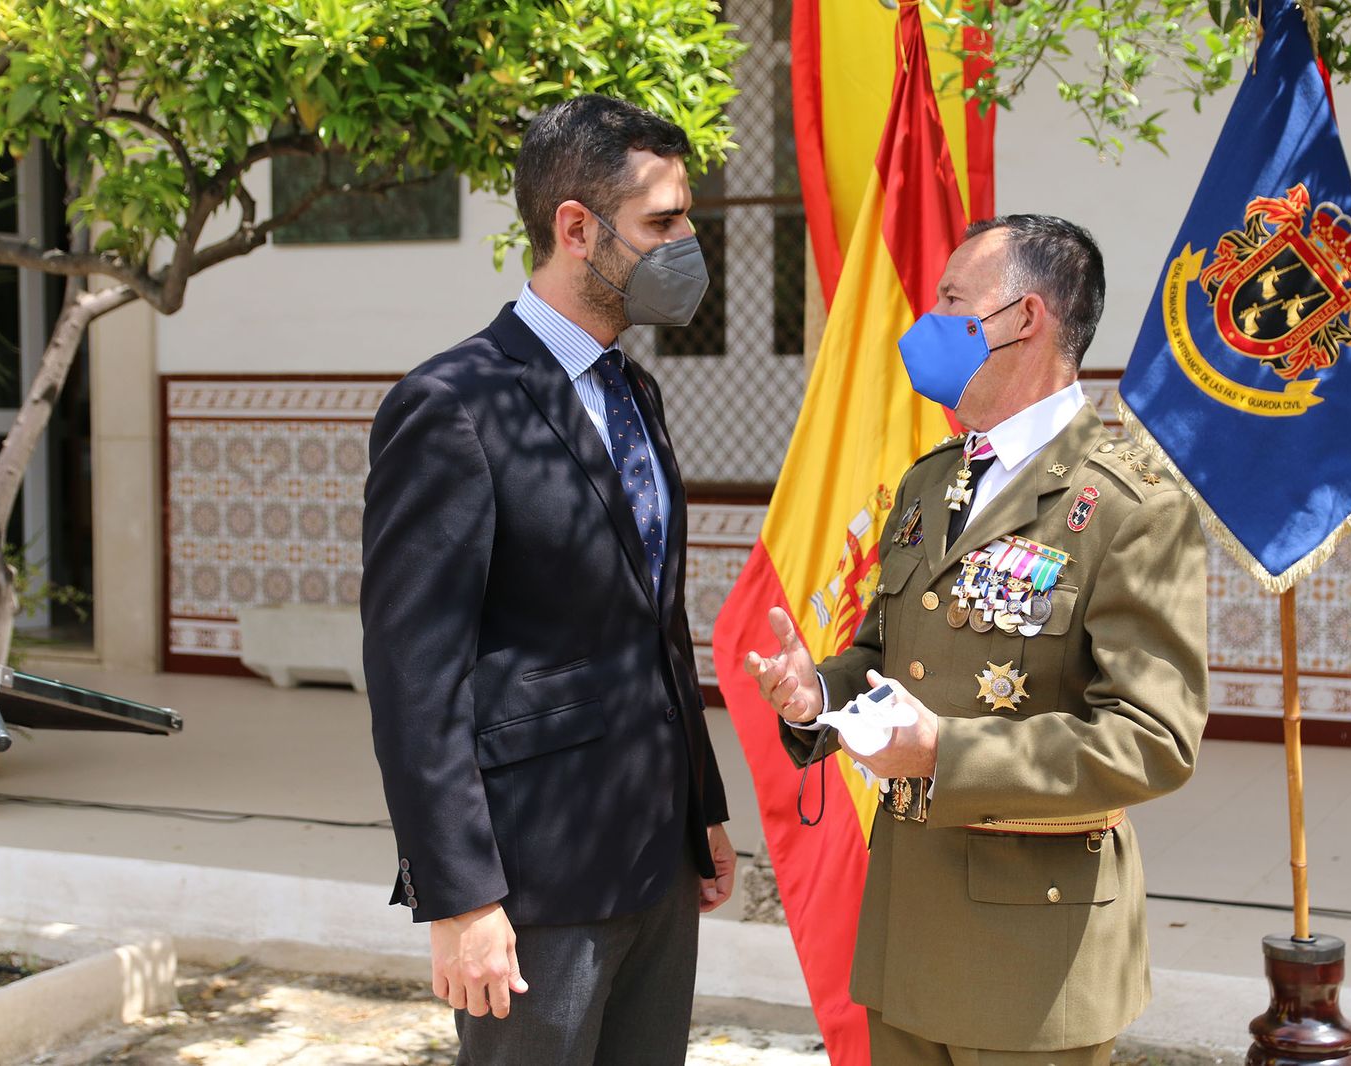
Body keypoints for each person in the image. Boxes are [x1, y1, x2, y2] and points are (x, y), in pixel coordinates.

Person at [744, 215, 1209, 1065]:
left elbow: (1153, 740)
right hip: (906, 934)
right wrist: (820, 695)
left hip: (1032, 959)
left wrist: (943, 755)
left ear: (1025, 318)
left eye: (953, 301)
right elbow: (886, 657)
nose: (930, 323)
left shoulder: (1131, 506)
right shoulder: (933, 482)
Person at [362, 94, 735, 1066]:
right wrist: (460, 897)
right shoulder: (451, 404)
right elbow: (414, 678)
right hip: (537, 881)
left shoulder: (635, 389)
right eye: (662, 222)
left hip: (655, 857)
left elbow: (655, 624)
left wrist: (701, 806)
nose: (686, 244)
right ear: (576, 228)